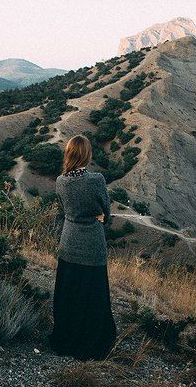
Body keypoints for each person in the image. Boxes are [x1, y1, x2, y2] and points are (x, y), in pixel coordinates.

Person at [49, 135, 117, 360]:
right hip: (91, 244)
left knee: (69, 291)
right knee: (92, 293)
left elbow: (65, 209)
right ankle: (92, 340)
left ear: (68, 154)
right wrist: (99, 215)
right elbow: (106, 211)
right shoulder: (96, 180)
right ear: (87, 154)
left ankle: (66, 336)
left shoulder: (61, 181)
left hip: (68, 241)